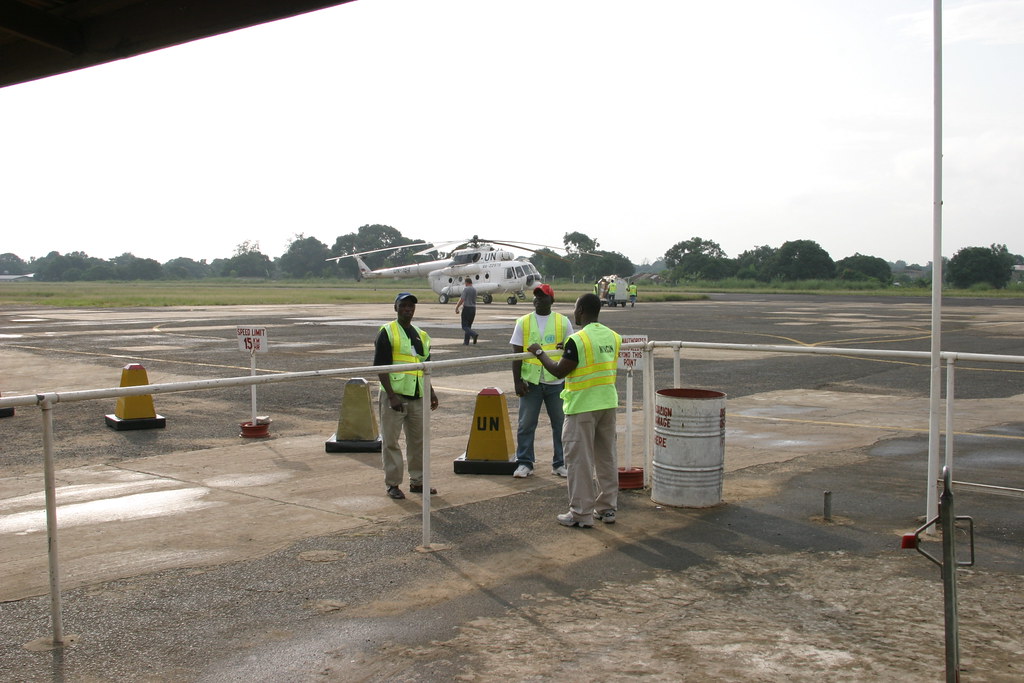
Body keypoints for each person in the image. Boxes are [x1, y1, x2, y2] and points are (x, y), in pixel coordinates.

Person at [528, 293, 621, 528]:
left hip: (582, 407)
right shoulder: (613, 336)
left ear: (580, 311)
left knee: (580, 461)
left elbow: (558, 371)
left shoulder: (577, 340)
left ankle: (581, 513)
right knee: (606, 458)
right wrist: (567, 350)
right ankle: (607, 508)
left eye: (575, 308)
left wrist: (539, 352)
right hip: (607, 404)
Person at [375, 292, 439, 499]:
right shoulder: (387, 332)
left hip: (417, 396)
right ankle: (393, 484)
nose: (407, 310)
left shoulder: (421, 335)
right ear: (395, 308)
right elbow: (380, 367)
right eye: (403, 306)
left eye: (411, 306)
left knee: (418, 441)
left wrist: (431, 392)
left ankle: (418, 481)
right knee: (391, 442)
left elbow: (424, 367)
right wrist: (391, 396)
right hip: (395, 397)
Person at [509, 283, 574, 478]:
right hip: (531, 383)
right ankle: (524, 462)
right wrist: (517, 382)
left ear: (551, 300)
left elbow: (572, 350)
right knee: (526, 424)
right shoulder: (523, 322)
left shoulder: (563, 322)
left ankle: (560, 463)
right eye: (536, 296)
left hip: (556, 382)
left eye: (542, 296)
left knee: (560, 424)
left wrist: (565, 346)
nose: (538, 299)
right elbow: (516, 354)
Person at [454, 277, 479, 345]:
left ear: (466, 282)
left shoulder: (466, 289)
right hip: (473, 308)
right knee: (468, 326)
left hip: (467, 308)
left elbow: (462, 299)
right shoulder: (474, 290)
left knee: (464, 326)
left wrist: (457, 307)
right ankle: (466, 342)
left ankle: (474, 334)